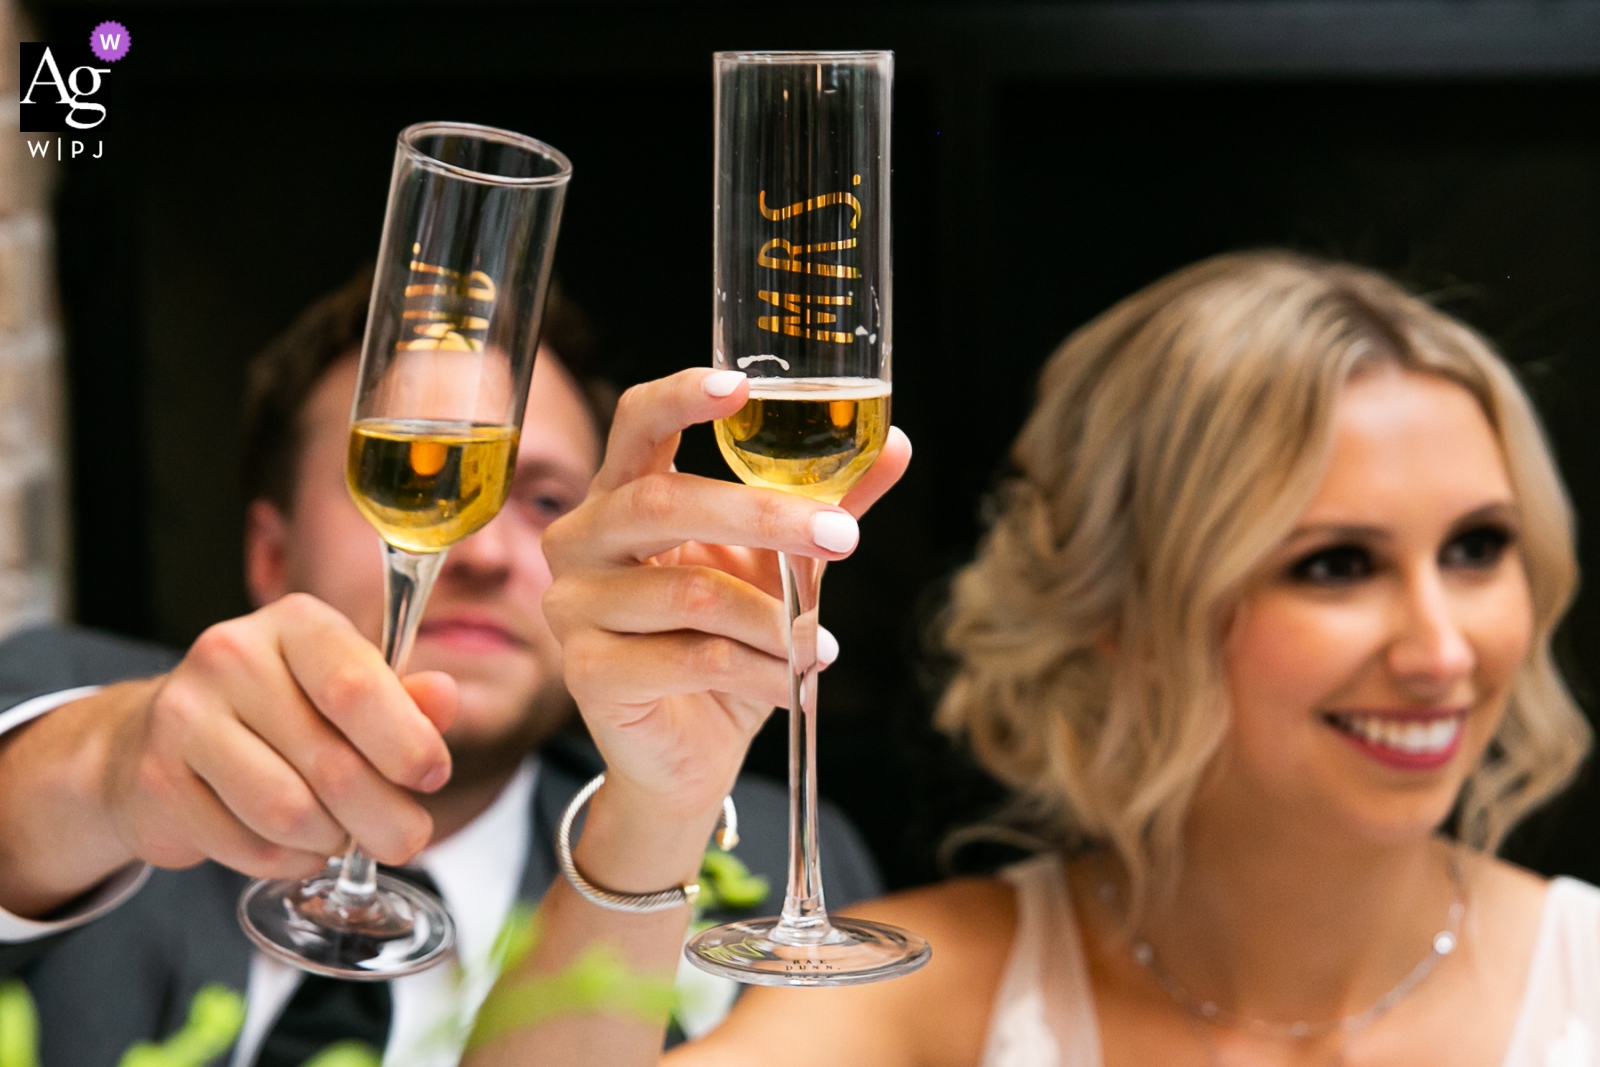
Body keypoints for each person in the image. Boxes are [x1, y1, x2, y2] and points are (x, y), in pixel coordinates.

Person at [463, 251, 1600, 1067]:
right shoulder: (943, 1000)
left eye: (1476, 547)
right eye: (1336, 563)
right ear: (1120, 605)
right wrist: (658, 803)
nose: (1442, 648)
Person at [0, 269, 883, 1067]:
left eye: (542, 499)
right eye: (419, 472)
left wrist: (657, 810)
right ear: (270, 554)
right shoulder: (57, 708)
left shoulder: (775, 856)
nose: (485, 550)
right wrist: (112, 765)